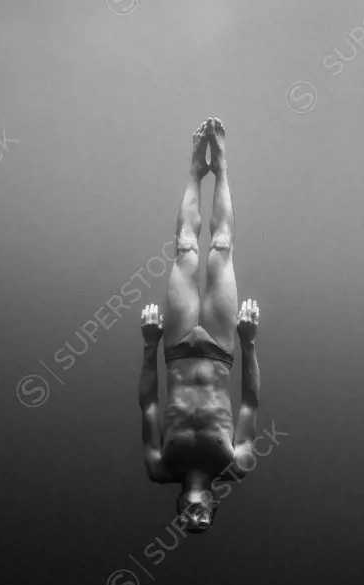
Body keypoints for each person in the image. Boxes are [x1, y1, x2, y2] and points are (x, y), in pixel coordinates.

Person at [137, 117, 260, 533]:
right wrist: (250, 343)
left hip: (173, 348)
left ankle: (194, 168)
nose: (199, 515)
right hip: (223, 349)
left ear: (178, 507)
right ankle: (222, 166)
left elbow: (150, 406)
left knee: (187, 250)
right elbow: (248, 405)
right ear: (212, 506)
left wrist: (148, 346)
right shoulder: (236, 464)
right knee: (221, 250)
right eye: (206, 517)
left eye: (191, 518)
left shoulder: (159, 466)